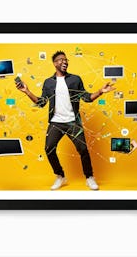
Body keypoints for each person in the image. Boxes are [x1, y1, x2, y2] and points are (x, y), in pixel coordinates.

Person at [15, 51, 115, 190]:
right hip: (56, 122)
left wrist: (100, 91)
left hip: (73, 121)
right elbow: (41, 102)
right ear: (55, 63)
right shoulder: (48, 82)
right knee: (49, 149)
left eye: (66, 60)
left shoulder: (75, 79)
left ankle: (89, 177)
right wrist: (27, 91)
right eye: (61, 60)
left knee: (83, 150)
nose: (65, 62)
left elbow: (86, 97)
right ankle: (60, 176)